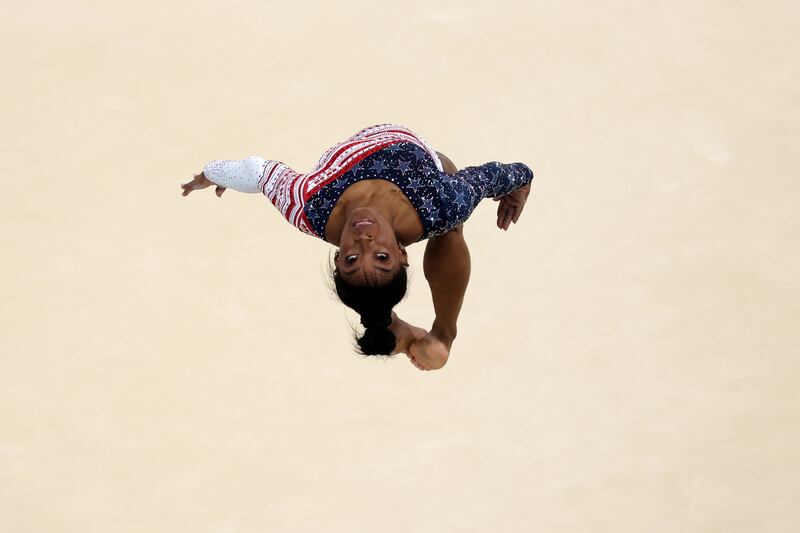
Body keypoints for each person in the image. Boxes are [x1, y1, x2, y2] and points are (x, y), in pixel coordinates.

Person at [181, 124, 533, 371]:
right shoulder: (438, 201)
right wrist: (522, 181)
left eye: (352, 258)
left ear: (337, 257)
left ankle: (401, 328)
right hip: (424, 166)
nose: (364, 241)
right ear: (401, 252)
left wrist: (213, 172)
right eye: (381, 257)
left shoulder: (310, 207)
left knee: (450, 210)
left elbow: (258, 172)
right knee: (451, 217)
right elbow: (499, 176)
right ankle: (444, 334)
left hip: (354, 160)